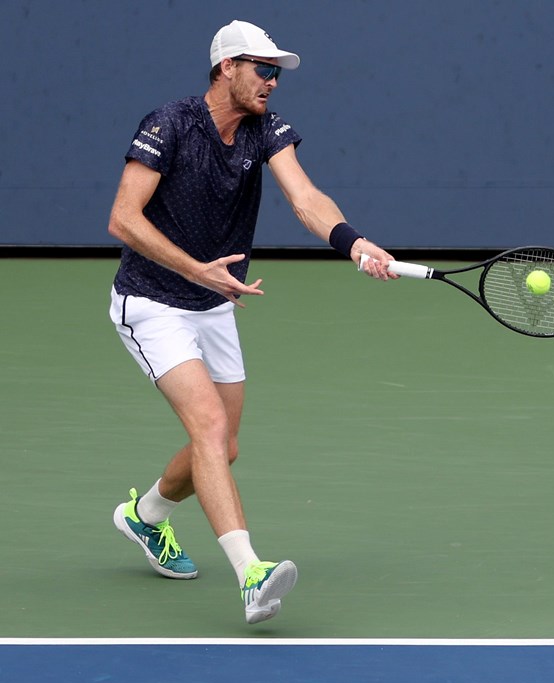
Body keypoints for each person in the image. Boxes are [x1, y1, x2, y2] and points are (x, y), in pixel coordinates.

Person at [107, 20, 398, 623]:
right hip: (153, 302)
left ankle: (146, 516)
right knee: (209, 426)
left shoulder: (265, 130)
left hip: (215, 304)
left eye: (276, 73)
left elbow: (305, 198)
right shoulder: (170, 124)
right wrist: (196, 270)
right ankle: (250, 574)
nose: (271, 81)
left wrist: (356, 244)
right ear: (226, 68)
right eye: (262, 69)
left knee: (223, 446)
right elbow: (124, 219)